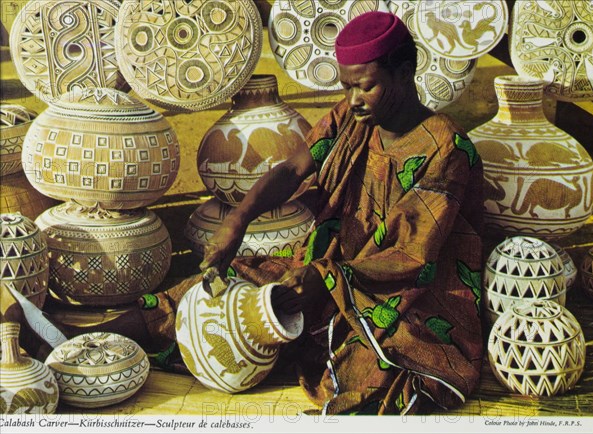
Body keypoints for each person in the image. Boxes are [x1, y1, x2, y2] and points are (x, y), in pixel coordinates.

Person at [2, 11, 484, 415]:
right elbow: (293, 168)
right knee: (211, 289)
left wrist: (325, 279)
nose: (354, 99)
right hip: (327, 264)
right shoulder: (350, 118)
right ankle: (67, 339)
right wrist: (239, 220)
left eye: (367, 87)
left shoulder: (447, 148)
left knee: (378, 373)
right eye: (347, 87)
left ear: (406, 72)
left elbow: (413, 255)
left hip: (407, 290)